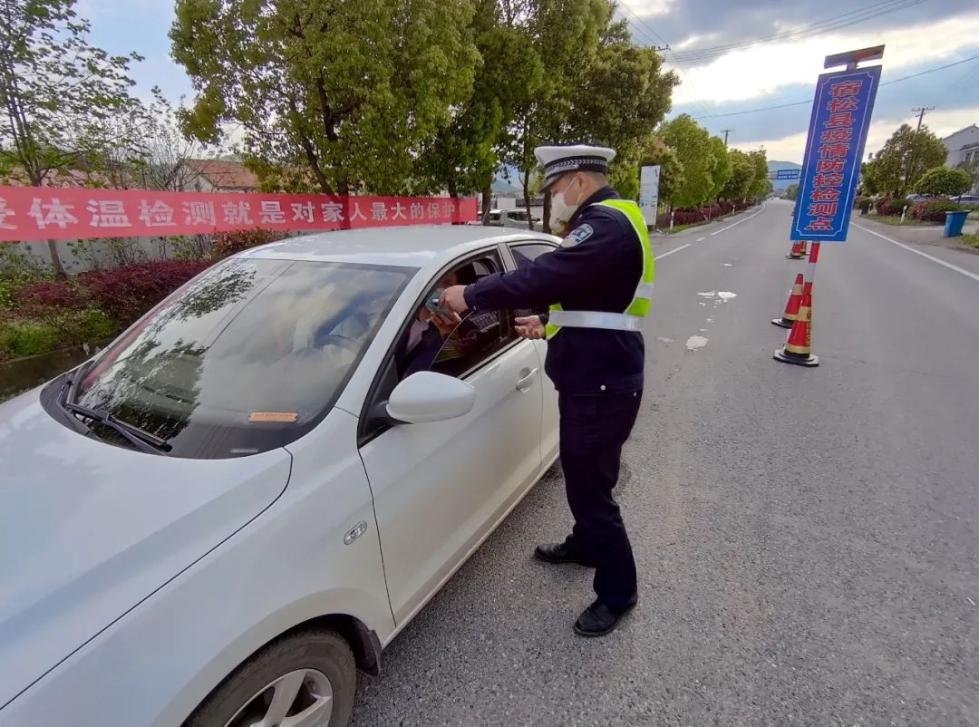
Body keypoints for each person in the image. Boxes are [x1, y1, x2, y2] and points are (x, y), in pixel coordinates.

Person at [440, 144, 655, 637]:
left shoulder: (604, 224)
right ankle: (584, 544)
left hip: (601, 384)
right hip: (596, 376)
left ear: (578, 180)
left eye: (556, 189)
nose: (555, 199)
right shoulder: (615, 220)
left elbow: (546, 275)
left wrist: (469, 294)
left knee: (592, 488)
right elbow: (596, 299)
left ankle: (619, 592)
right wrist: (551, 321)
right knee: (583, 473)